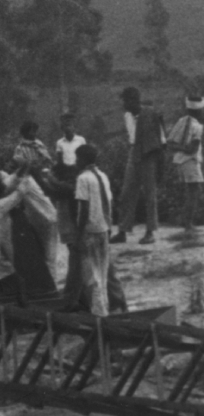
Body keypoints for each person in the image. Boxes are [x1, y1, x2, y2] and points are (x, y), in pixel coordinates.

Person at [113, 87, 165, 244]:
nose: (123, 103)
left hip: (149, 155)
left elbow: (161, 139)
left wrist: (159, 162)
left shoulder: (151, 113)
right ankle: (123, 231)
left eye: (125, 100)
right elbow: (132, 138)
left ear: (133, 100)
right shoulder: (127, 116)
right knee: (127, 192)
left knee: (150, 195)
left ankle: (150, 232)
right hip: (134, 152)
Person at [71, 141, 112, 317]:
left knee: (91, 278)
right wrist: (108, 226)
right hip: (103, 228)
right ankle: (105, 312)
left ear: (82, 159)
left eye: (77, 158)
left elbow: (84, 210)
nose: (75, 162)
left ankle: (99, 317)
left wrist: (78, 235)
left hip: (90, 231)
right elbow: (109, 203)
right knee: (102, 275)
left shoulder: (82, 178)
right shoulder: (102, 176)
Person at [166, 93, 204, 238]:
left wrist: (180, 148)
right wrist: (186, 149)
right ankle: (188, 224)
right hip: (190, 161)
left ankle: (186, 221)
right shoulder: (197, 127)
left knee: (190, 191)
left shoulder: (182, 121)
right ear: (199, 110)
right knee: (194, 192)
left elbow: (170, 142)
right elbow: (193, 149)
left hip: (179, 160)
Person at [52, 110, 87, 178]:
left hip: (79, 170)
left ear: (74, 127)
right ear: (62, 128)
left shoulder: (81, 140)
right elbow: (60, 159)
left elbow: (85, 155)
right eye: (66, 126)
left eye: (70, 125)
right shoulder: (59, 142)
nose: (68, 128)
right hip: (66, 172)